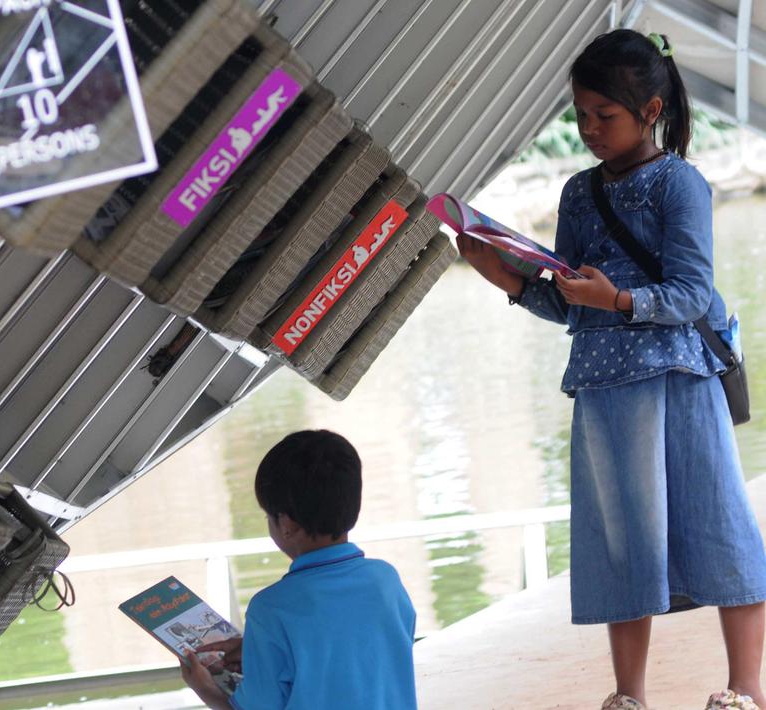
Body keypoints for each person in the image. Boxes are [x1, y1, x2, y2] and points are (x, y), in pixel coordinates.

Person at [458, 28, 766, 710]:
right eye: (580, 116)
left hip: (679, 377)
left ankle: (745, 690)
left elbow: (690, 292)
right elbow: (566, 302)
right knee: (624, 541)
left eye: (605, 116)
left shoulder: (680, 183)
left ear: (651, 111)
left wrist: (619, 298)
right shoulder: (576, 192)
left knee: (717, 526)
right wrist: (504, 277)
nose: (590, 129)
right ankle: (628, 696)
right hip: (600, 385)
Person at [179, 430, 417, 709]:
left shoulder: (270, 609)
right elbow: (355, 656)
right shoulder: (386, 580)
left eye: (268, 516)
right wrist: (260, 650)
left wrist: (206, 690)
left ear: (287, 524)